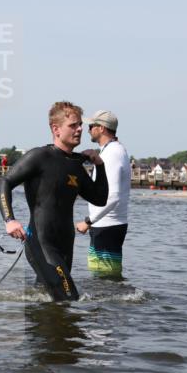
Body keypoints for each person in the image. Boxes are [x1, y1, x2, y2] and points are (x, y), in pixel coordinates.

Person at [0, 102, 108, 301]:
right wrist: (9, 220)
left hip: (66, 243)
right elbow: (4, 182)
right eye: (73, 125)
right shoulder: (39, 157)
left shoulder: (76, 165)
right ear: (56, 129)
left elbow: (100, 198)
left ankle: (35, 329)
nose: (80, 129)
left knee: (48, 300)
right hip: (41, 242)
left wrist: (100, 165)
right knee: (68, 298)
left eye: (80, 124)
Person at [75, 111, 130, 278]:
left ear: (102, 128)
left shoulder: (112, 154)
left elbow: (113, 196)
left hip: (107, 226)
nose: (87, 129)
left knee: (104, 278)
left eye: (91, 126)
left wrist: (88, 221)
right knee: (104, 276)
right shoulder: (112, 150)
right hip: (106, 224)